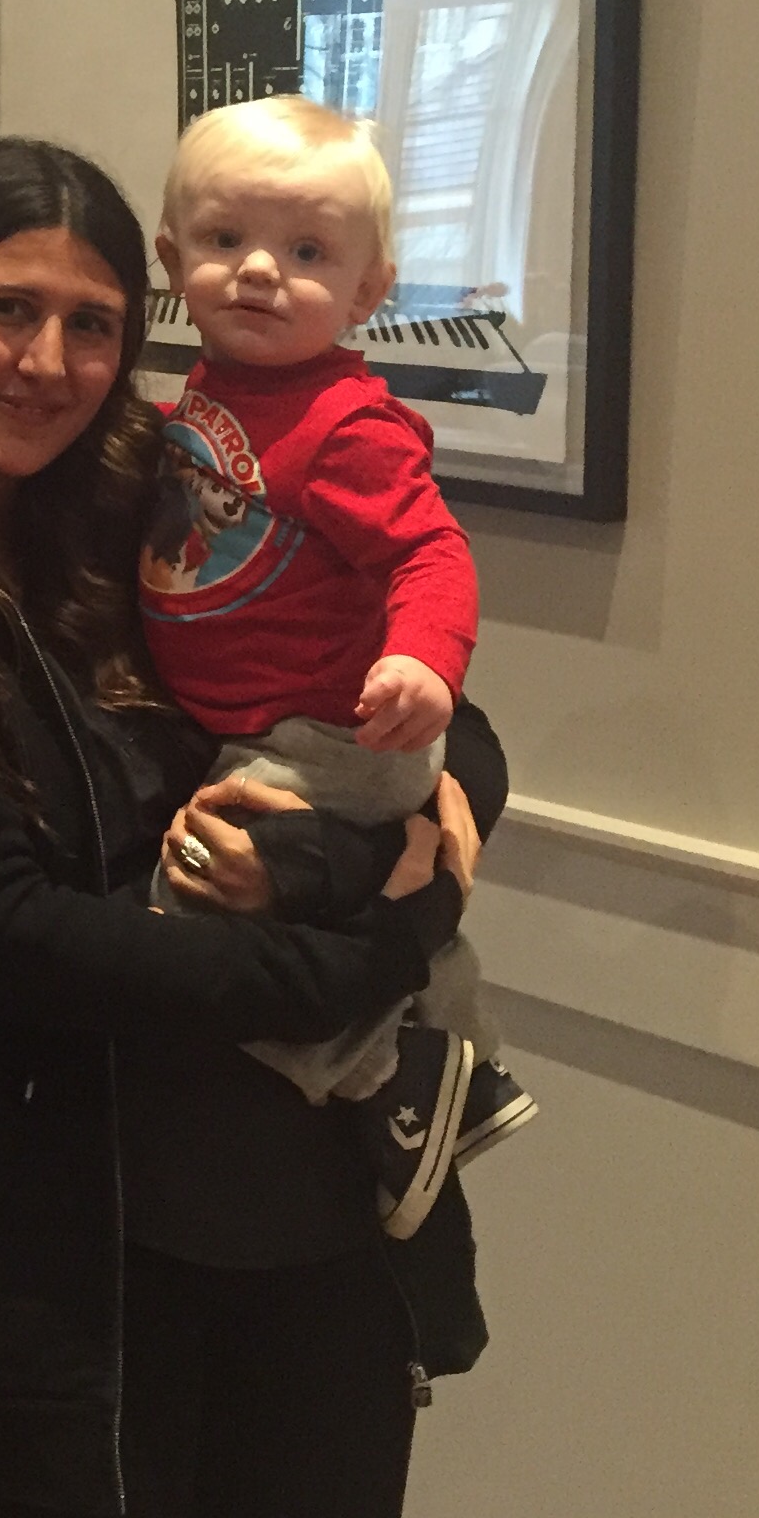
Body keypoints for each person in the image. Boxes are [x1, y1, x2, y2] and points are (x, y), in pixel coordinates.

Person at [0, 137, 503, 1518]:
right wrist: (368, 949)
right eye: (5, 310)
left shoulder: (165, 496)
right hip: (67, 1266)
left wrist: (371, 835)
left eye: (90, 324)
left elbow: (444, 716)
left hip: (317, 1229)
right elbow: (3, 934)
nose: (49, 362)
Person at [142, 94, 534, 1234]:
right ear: (172, 260)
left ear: (368, 291)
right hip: (255, 729)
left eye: (308, 252)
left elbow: (430, 554)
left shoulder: (345, 424)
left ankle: (393, 1074)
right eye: (225, 239)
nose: (261, 270)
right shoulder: (210, 395)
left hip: (331, 734)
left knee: (185, 910)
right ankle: (457, 1064)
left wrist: (423, 663)